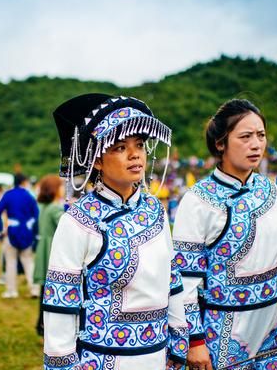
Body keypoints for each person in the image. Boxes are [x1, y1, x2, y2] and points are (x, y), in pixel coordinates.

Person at [173, 99, 277, 370]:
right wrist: (194, 342)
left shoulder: (270, 190)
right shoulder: (198, 200)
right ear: (221, 143)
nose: (256, 144)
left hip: (273, 325)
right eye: (245, 137)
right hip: (224, 327)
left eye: (261, 135)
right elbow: (185, 282)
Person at [43, 94, 188, 369]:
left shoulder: (155, 210)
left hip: (157, 355)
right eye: (120, 147)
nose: (135, 154)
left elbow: (172, 279)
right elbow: (61, 300)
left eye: (140, 145)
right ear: (97, 161)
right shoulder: (78, 220)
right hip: (101, 359)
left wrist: (180, 342)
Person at [0, 173, 39, 299]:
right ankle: (34, 289)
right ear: (24, 182)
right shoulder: (29, 195)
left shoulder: (8, 194)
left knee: (10, 262)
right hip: (26, 232)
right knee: (29, 262)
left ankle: (11, 291)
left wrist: (0, 228)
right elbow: (36, 214)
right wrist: (33, 230)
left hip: (11, 231)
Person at [33, 174, 65, 336]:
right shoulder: (54, 208)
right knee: (50, 291)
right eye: (60, 186)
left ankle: (40, 323)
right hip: (51, 249)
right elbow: (66, 228)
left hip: (43, 248)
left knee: (44, 289)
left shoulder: (43, 206)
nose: (63, 189)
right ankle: (44, 324)